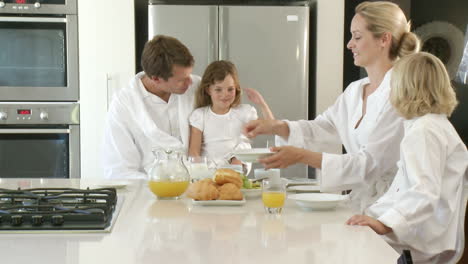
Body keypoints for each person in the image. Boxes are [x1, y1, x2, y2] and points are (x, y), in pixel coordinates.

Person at [243, 1, 420, 212]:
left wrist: (301, 156)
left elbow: (368, 165)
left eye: (357, 37)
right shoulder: (355, 91)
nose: (349, 44)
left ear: (384, 39)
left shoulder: (400, 95)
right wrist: (278, 127)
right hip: (361, 206)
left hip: (392, 211)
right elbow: (324, 127)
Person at [346, 52, 468, 264]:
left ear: (405, 88)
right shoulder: (433, 125)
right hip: (424, 243)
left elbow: (424, 192)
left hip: (418, 250)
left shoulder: (424, 131)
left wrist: (385, 224)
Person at [102, 35, 201, 179]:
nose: (190, 82)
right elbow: (119, 170)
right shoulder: (123, 105)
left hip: (199, 191)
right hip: (148, 193)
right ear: (156, 79)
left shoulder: (197, 88)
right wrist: (162, 184)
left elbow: (228, 125)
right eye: (182, 80)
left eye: (189, 75)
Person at [188, 60, 274, 171]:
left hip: (236, 172)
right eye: (218, 89)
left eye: (230, 89)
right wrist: (198, 174)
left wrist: (262, 104)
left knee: (239, 153)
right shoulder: (200, 116)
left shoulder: (244, 113)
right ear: (208, 90)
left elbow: (272, 128)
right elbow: (194, 152)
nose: (225, 95)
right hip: (209, 173)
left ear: (236, 88)